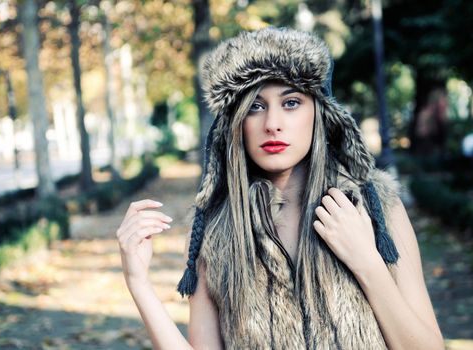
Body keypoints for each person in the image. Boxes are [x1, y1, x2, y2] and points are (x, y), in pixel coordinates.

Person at [116, 27, 444, 349]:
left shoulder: (377, 209)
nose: (272, 123)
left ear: (319, 112)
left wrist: (367, 263)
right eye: (255, 107)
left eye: (291, 102)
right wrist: (138, 283)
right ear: (235, 122)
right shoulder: (215, 234)